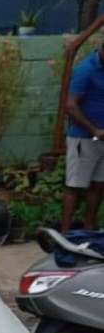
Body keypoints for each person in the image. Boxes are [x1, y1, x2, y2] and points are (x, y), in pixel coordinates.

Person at [62, 41, 104, 232]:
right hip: (83, 138)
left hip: (101, 140)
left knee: (98, 184)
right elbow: (70, 106)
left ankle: (88, 229)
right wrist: (93, 129)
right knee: (75, 186)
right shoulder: (86, 70)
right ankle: (65, 233)